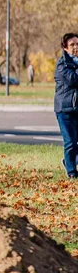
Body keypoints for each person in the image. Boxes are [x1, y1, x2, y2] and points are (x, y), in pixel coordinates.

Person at [54, 33, 78, 179]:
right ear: (65, 47)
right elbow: (73, 80)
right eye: (72, 45)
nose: (76, 47)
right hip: (65, 109)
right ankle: (71, 172)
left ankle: (69, 161)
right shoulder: (62, 64)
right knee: (70, 142)